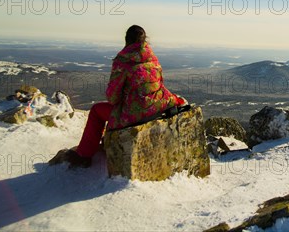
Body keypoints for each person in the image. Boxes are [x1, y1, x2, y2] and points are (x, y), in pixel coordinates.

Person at [49, 25, 187, 168]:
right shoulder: (153, 60)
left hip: (135, 113)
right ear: (145, 40)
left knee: (96, 111)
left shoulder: (123, 62)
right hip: (156, 107)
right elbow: (158, 85)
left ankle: (84, 155)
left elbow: (113, 97)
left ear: (126, 40)